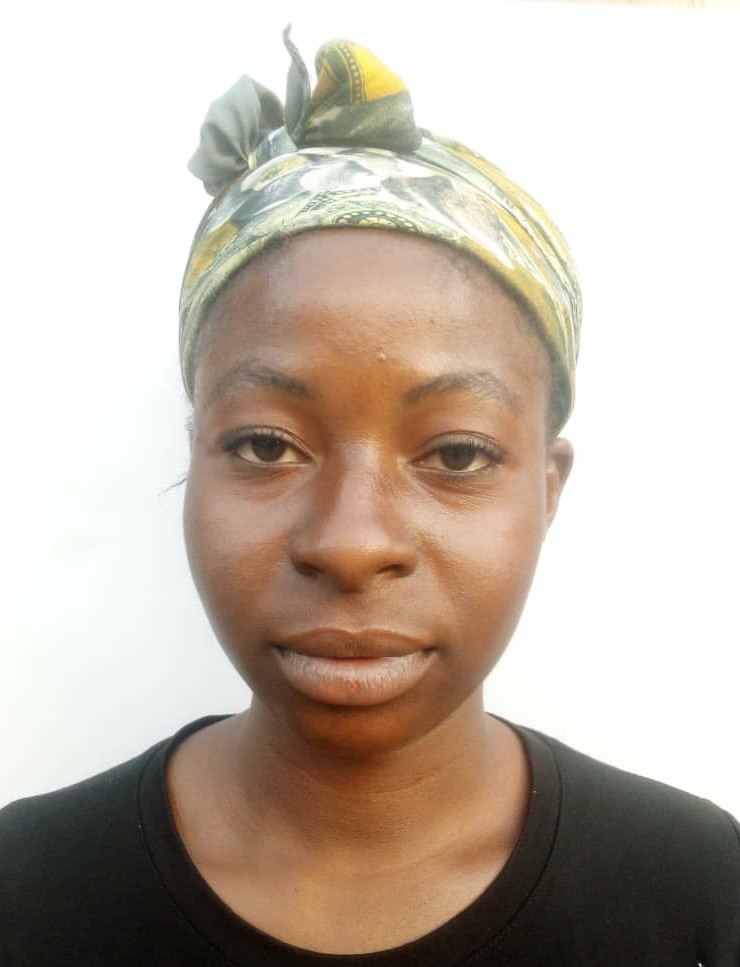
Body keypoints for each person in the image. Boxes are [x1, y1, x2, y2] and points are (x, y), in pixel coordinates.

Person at [1, 29, 738, 966]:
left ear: (547, 489)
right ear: (197, 458)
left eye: (458, 454)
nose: (351, 543)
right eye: (266, 444)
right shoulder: (28, 887)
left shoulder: (695, 888)